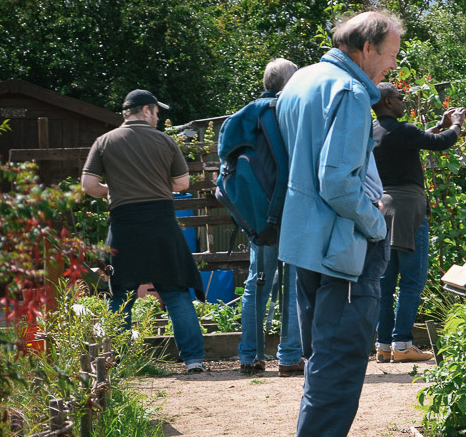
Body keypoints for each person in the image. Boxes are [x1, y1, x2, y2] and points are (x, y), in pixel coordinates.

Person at [274, 11, 403, 437]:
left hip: (306, 238)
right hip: (344, 243)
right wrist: (376, 223)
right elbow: (338, 183)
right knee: (342, 355)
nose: (391, 65)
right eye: (389, 55)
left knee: (321, 353)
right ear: (366, 48)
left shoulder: (304, 80)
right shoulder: (349, 93)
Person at [81, 89, 206, 373]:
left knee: (121, 294)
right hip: (162, 223)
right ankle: (194, 360)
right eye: (158, 113)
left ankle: (120, 364)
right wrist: (158, 184)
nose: (159, 118)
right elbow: (183, 183)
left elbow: (88, 186)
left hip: (124, 225)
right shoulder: (165, 141)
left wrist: (113, 189)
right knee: (175, 292)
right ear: (146, 110)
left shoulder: (104, 142)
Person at [371, 83, 466, 363]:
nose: (404, 103)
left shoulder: (371, 132)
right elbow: (442, 143)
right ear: (388, 101)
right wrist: (456, 124)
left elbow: (416, 138)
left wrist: (439, 124)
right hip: (409, 211)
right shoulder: (402, 130)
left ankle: (384, 345)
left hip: (380, 211)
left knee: (385, 282)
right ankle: (403, 344)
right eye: (400, 98)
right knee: (413, 280)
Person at [237, 58, 305, 377]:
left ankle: (250, 356)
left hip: (257, 214)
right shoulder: (291, 111)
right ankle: (290, 356)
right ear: (288, 83)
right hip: (290, 208)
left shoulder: (245, 116)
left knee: (256, 283)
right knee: (292, 283)